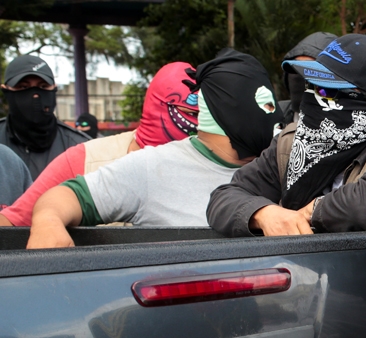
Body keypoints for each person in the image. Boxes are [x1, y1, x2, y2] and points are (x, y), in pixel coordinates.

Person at [25, 49, 280, 249]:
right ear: (222, 111)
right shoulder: (152, 167)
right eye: (263, 105)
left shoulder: (284, 161)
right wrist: (48, 223)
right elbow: (69, 196)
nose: (274, 115)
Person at [206, 35, 366, 237]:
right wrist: (262, 213)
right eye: (309, 86)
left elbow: (364, 206)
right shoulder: (293, 143)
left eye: (325, 90)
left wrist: (306, 212)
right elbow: (224, 197)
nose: (311, 96)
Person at [0, 62, 198, 227]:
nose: (34, 96)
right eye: (189, 113)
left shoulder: (218, 163)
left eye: (202, 114)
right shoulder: (86, 158)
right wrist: (48, 222)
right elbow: (14, 222)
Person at [0, 54, 89, 179]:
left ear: (54, 88)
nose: (35, 95)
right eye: (23, 87)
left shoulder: (79, 147)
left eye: (43, 86)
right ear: (6, 90)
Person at [280, 31, 338, 124]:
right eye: (295, 68)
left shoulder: (348, 123)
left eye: (309, 69)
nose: (299, 75)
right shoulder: (275, 117)